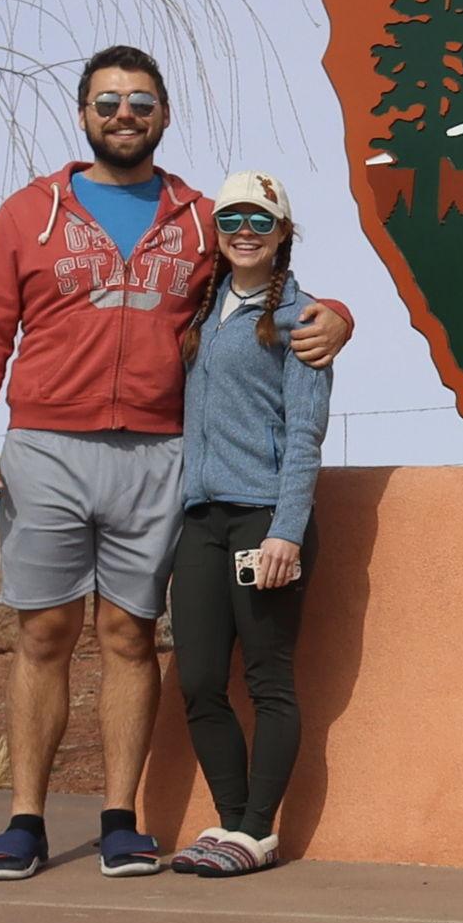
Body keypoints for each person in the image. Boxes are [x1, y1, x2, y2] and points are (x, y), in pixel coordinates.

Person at [0, 47, 352, 881]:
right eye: (107, 102)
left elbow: (268, 277)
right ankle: (25, 820)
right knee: (45, 631)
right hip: (50, 446)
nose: (123, 114)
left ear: (163, 115)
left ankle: (121, 819)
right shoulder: (31, 212)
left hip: (157, 454)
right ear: (84, 113)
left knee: (130, 634)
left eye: (140, 102)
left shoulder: (201, 218)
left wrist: (337, 315)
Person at [167, 172, 325, 876]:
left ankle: (258, 831)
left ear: (284, 234)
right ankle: (229, 824)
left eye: (261, 221)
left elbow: (303, 436)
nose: (244, 232)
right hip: (199, 522)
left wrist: (286, 531)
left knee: (268, 681)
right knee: (199, 680)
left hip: (264, 519)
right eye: (231, 219)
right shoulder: (200, 312)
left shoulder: (304, 318)